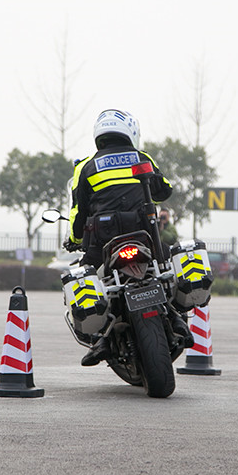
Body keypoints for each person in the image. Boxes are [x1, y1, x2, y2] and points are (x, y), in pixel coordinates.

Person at [67, 109, 190, 366]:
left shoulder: (86, 167)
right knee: (167, 268)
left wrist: (74, 239)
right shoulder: (141, 157)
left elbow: (78, 212)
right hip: (145, 235)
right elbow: (163, 190)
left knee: (87, 275)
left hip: (103, 241)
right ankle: (177, 315)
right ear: (131, 132)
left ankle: (100, 338)